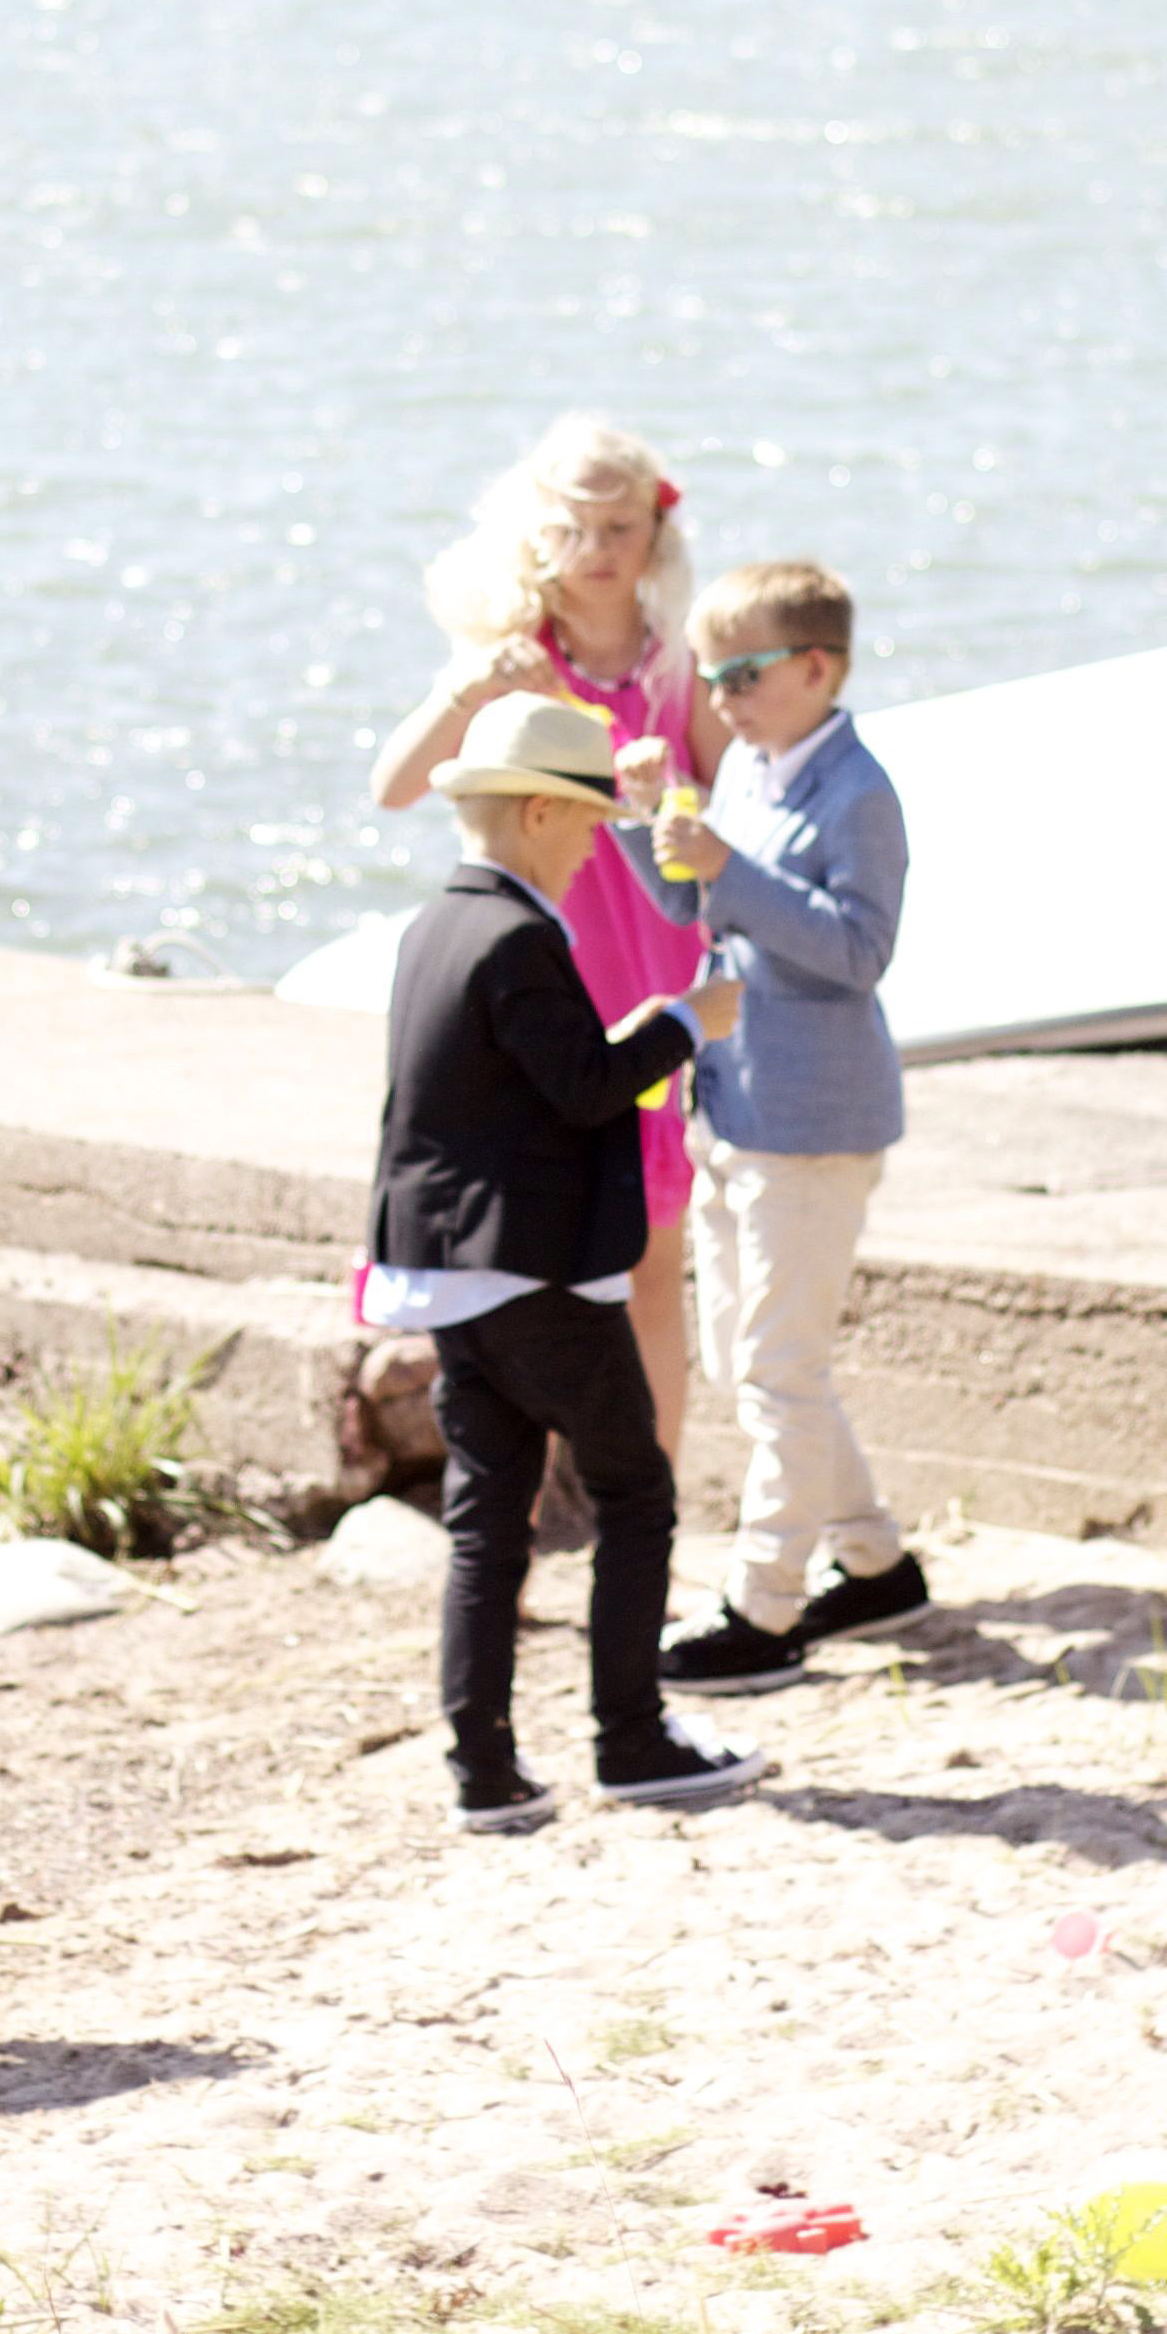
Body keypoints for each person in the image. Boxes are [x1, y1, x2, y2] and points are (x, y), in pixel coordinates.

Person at [372, 690, 769, 1832]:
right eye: (591, 824)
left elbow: (501, 1084)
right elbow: (587, 1088)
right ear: (541, 813)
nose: (597, 848)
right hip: (534, 1271)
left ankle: (483, 1767)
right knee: (634, 1492)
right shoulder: (518, 936)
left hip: (448, 1271)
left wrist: (639, 1031)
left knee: (486, 1517)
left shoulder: (434, 927)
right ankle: (631, 1739)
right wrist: (686, 1021)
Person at [368, 416, 722, 1470]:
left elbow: (729, 811)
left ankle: (648, 1512)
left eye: (621, 527)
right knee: (522, 1267)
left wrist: (670, 794)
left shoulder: (680, 665)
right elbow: (394, 787)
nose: (598, 551)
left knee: (652, 1268)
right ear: (534, 533)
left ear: (656, 535)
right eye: (573, 528)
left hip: (649, 971)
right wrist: (469, 688)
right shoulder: (513, 658)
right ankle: (514, 1516)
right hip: (538, 979)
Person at [632, 561, 929, 1694]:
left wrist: (729, 869)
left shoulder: (859, 792)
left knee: (775, 1368)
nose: (721, 700)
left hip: (816, 1119)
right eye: (709, 677)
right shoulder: (749, 772)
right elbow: (697, 904)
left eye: (743, 675)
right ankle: (876, 1563)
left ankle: (764, 1606)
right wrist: (655, 820)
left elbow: (859, 952)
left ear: (816, 667)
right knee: (746, 1360)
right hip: (736, 1102)